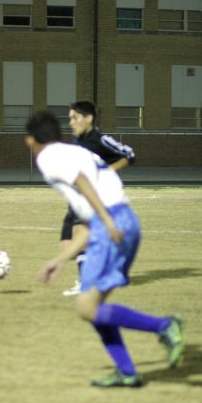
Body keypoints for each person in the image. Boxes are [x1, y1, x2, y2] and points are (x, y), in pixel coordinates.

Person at [25, 111, 184, 388]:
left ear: (30, 140)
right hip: (120, 221)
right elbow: (87, 223)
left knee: (86, 308)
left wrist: (107, 221)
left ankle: (164, 326)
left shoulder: (47, 157)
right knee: (94, 307)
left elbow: (82, 184)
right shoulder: (77, 151)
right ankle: (126, 371)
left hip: (111, 223)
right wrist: (59, 260)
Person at [61, 101, 136, 297]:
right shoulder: (77, 143)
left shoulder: (101, 140)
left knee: (80, 235)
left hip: (95, 198)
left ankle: (85, 282)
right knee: (67, 247)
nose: (71, 122)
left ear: (89, 119)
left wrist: (108, 171)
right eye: (69, 118)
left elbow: (129, 154)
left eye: (74, 118)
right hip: (77, 197)